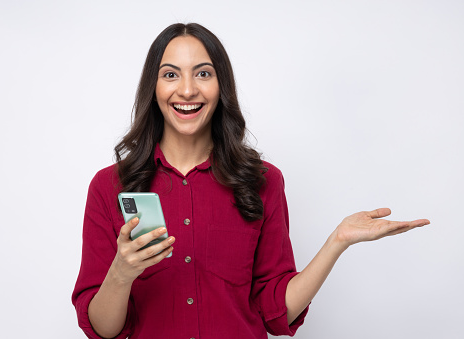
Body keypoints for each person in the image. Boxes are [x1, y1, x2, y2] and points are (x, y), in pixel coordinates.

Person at [72, 23, 430, 339]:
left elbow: (275, 312)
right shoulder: (110, 187)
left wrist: (337, 242)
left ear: (221, 85)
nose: (186, 90)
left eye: (202, 74)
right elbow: (104, 329)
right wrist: (121, 273)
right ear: (152, 87)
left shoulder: (263, 182)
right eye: (170, 75)